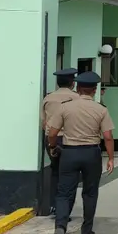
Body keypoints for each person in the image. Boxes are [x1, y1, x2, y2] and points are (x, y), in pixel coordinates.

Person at [47, 71, 116, 234]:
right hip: (91, 153)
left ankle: (60, 229)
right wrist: (111, 158)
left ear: (78, 89)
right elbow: (108, 137)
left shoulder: (65, 108)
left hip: (69, 153)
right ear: (94, 90)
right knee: (90, 192)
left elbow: (52, 133)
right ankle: (86, 231)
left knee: (64, 193)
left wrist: (53, 147)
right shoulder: (101, 110)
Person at [41, 67, 78, 216]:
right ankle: (66, 208)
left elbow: (44, 123)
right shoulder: (77, 98)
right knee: (70, 175)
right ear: (72, 83)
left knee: (55, 171)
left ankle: (54, 205)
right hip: (71, 141)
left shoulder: (48, 99)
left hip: (52, 139)